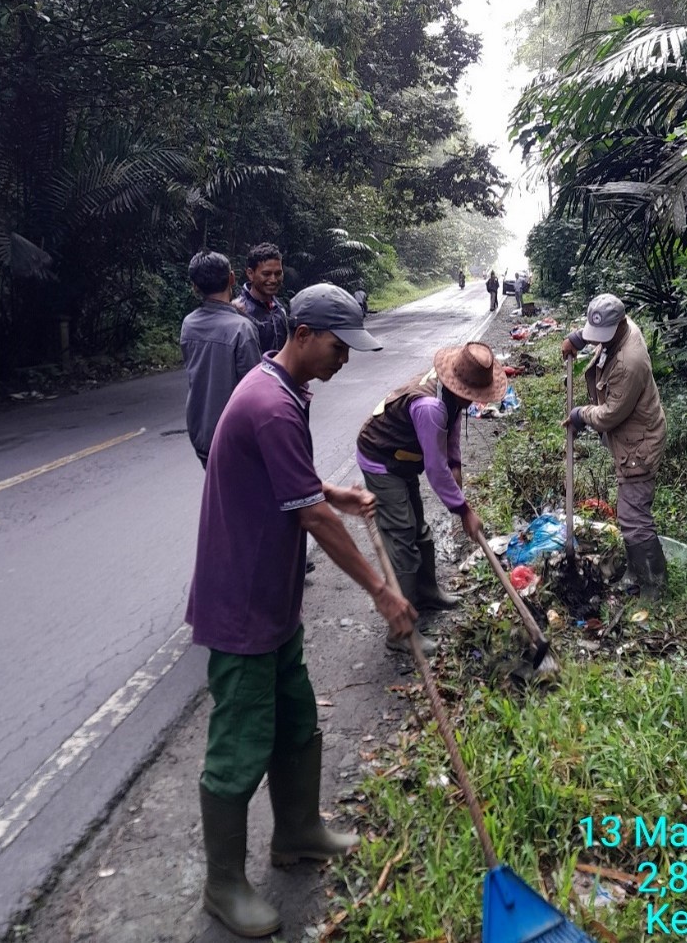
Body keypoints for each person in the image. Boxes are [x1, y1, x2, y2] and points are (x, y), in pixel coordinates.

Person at [186, 284, 416, 939]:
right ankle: (222, 885)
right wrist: (379, 589)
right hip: (241, 601)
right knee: (239, 740)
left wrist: (333, 490)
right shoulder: (269, 404)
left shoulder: (287, 389)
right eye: (340, 348)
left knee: (294, 713)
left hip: (274, 595)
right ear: (306, 332)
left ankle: (297, 829)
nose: (345, 359)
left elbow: (294, 485)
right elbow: (309, 516)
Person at [355, 342, 505, 656]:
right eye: (474, 396)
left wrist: (457, 464)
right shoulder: (429, 407)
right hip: (382, 460)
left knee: (419, 529)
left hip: (404, 457)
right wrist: (463, 510)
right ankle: (401, 632)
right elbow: (434, 470)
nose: (476, 402)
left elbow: (449, 432)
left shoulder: (448, 396)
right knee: (401, 541)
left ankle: (425, 592)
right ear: (460, 386)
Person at [562, 293, 667, 601]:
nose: (599, 340)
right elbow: (599, 330)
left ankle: (653, 586)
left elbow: (609, 415)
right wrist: (578, 339)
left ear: (620, 323)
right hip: (632, 437)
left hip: (639, 445)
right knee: (628, 513)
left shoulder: (629, 363)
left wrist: (580, 414)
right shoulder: (621, 326)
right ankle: (636, 573)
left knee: (634, 518)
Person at [180, 251, 261, 468]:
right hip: (233, 438)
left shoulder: (189, 324)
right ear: (232, 278)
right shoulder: (242, 328)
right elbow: (255, 391)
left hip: (200, 432)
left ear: (195, 287)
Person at [233, 241, 288, 353]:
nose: (273, 280)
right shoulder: (239, 311)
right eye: (266, 274)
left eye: (278, 273)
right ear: (250, 274)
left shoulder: (279, 309)